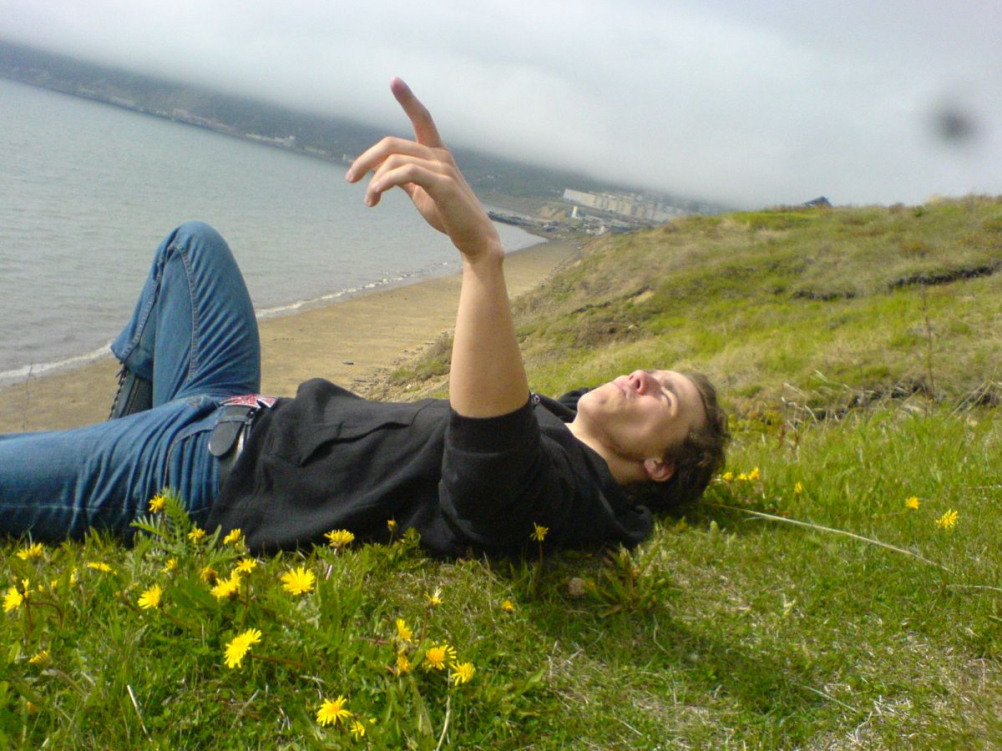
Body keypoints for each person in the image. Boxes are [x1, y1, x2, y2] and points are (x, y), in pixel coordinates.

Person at [0, 79, 728, 555]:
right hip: (234, 405)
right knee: (191, 247)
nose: (641, 376)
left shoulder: (571, 493)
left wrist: (482, 257)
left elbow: (488, 482)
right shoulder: (559, 418)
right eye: (654, 372)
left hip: (208, 468)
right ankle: (116, 434)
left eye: (664, 396)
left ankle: (114, 454)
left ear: (660, 465)